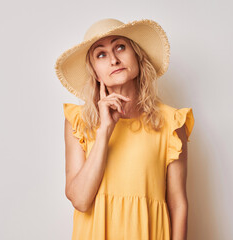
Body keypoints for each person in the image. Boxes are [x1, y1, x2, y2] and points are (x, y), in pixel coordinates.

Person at [55, 18, 195, 240]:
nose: (113, 59)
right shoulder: (79, 121)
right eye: (101, 54)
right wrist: (104, 132)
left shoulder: (171, 123)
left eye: (120, 47)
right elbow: (80, 200)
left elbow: (178, 205)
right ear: (95, 73)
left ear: (137, 57)